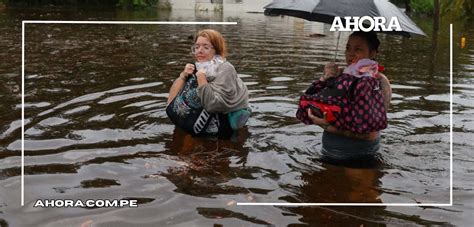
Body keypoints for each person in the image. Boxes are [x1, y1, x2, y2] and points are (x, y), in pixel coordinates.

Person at [296, 31, 392, 161]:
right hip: (329, 151)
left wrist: (327, 126)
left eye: (358, 49)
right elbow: (311, 101)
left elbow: (368, 133)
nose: (350, 54)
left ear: (373, 53)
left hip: (360, 155)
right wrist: (325, 79)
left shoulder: (379, 81)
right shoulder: (340, 76)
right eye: (348, 48)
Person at [166, 29, 250, 138]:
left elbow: (213, 105)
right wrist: (183, 76)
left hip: (222, 129)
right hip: (196, 124)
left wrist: (201, 78)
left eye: (205, 47)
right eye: (197, 47)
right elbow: (170, 102)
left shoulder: (225, 69)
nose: (199, 51)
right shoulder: (199, 66)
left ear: (217, 50)